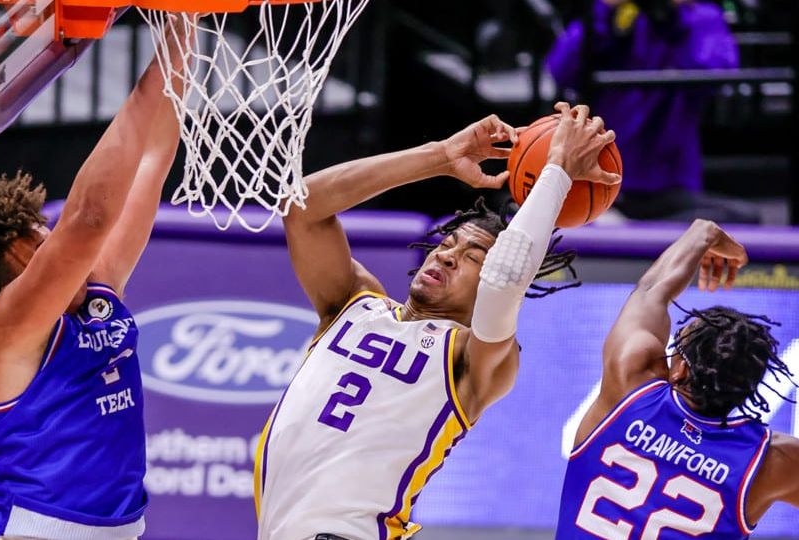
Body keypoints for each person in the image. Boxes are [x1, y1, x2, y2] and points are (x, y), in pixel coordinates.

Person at [253, 103, 621, 540]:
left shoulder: (474, 357)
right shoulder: (353, 303)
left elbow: (505, 282)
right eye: (448, 243)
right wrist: (441, 157)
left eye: (472, 258)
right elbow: (302, 207)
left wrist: (556, 172)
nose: (446, 254)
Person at [0, 23, 188, 540]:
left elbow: (152, 156)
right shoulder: (3, 329)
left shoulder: (97, 291)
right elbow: (88, 218)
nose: (58, 238)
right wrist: (140, 90)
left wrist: (183, 26)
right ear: (19, 253)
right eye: (44, 234)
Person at [555, 219, 799, 538]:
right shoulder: (771, 462)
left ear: (680, 369)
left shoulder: (630, 385)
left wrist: (705, 234)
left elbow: (651, 291)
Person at [546, 0, 742, 221]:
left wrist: (675, 22)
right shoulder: (610, 18)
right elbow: (559, 70)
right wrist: (604, 13)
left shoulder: (700, 16)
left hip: (672, 180)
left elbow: (717, 72)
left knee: (738, 221)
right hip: (603, 176)